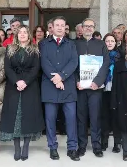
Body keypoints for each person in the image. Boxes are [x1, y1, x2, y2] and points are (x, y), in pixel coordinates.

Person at [0, 25, 44, 161]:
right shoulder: (10, 49)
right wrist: (17, 81)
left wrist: (25, 81)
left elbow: (36, 68)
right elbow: (7, 68)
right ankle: (17, 147)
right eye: (20, 32)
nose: (23, 34)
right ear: (16, 35)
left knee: (29, 116)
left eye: (25, 32)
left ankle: (26, 147)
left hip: (30, 87)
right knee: (15, 117)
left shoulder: (35, 49)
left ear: (29, 35)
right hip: (14, 87)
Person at [39, 16, 80, 161]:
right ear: (52, 27)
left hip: (67, 87)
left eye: (62, 25)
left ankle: (72, 148)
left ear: (65, 27)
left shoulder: (71, 44)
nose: (60, 27)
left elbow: (74, 62)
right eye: (57, 25)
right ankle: (53, 147)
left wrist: (61, 76)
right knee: (50, 119)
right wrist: (55, 79)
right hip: (50, 87)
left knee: (71, 119)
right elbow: (44, 62)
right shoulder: (43, 44)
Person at [75, 18, 110, 158]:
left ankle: (96, 145)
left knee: (95, 117)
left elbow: (106, 64)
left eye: (91, 26)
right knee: (81, 117)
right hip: (80, 88)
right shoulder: (75, 44)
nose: (89, 28)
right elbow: (72, 65)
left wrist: (97, 82)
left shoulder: (101, 44)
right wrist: (77, 81)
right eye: (86, 26)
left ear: (94, 28)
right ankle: (82, 145)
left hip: (96, 88)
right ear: (81, 28)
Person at [101, 33, 121, 153]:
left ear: (115, 43)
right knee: (104, 117)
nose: (109, 43)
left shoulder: (120, 56)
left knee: (116, 118)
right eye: (107, 41)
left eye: (112, 41)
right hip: (102, 90)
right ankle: (104, 142)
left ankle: (117, 143)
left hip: (116, 91)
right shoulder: (100, 56)